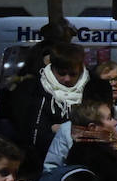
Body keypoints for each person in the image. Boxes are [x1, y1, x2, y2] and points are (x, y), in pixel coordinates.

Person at [11, 42, 90, 173]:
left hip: (82, 164)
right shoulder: (35, 90)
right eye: (62, 73)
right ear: (52, 68)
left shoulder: (90, 89)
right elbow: (33, 133)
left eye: (73, 74)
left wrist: (59, 129)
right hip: (42, 164)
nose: (66, 79)